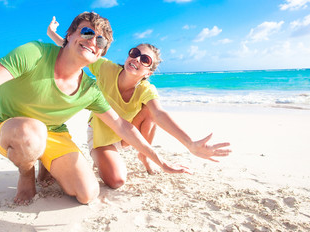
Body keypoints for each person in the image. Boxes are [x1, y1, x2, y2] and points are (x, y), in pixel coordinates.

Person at [0, 12, 194, 206]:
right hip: (11, 128)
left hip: (54, 134)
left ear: (100, 52)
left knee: (87, 193)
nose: (92, 41)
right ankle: (27, 173)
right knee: (31, 131)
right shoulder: (33, 53)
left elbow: (122, 125)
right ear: (69, 34)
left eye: (99, 40)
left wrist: (160, 161)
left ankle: (46, 162)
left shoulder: (89, 89)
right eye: (87, 32)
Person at [47, 17, 231, 189]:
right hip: (101, 134)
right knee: (116, 181)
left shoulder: (146, 89)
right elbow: (74, 48)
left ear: (148, 72)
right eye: (134, 53)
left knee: (150, 111)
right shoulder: (105, 68)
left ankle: (144, 155)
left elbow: (159, 114)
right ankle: (99, 155)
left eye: (145, 59)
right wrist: (51, 33)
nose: (136, 59)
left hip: (127, 134)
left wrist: (190, 144)